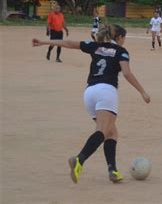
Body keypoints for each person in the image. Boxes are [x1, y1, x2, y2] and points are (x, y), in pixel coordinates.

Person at [32, 24, 151, 184]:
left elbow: (69, 43)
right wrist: (142, 91)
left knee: (111, 133)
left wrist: (44, 42)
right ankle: (79, 159)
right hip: (106, 92)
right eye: (124, 38)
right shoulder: (121, 51)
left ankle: (113, 171)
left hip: (89, 93)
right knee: (102, 131)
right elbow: (127, 73)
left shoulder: (95, 46)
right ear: (120, 38)